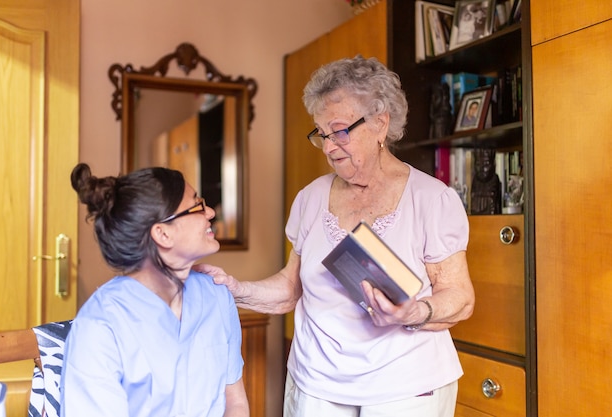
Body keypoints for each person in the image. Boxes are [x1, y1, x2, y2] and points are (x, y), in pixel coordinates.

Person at [200, 56, 475, 416]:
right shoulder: (310, 198)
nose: (329, 146)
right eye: (322, 134)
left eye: (340, 130)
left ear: (380, 123)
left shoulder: (432, 199)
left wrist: (414, 311)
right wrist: (237, 289)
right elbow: (291, 286)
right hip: (316, 385)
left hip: (406, 386)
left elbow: (460, 297)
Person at [61, 163, 248, 417]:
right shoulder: (100, 326)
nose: (211, 212)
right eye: (197, 206)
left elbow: (235, 402)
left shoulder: (216, 296)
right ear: (162, 234)